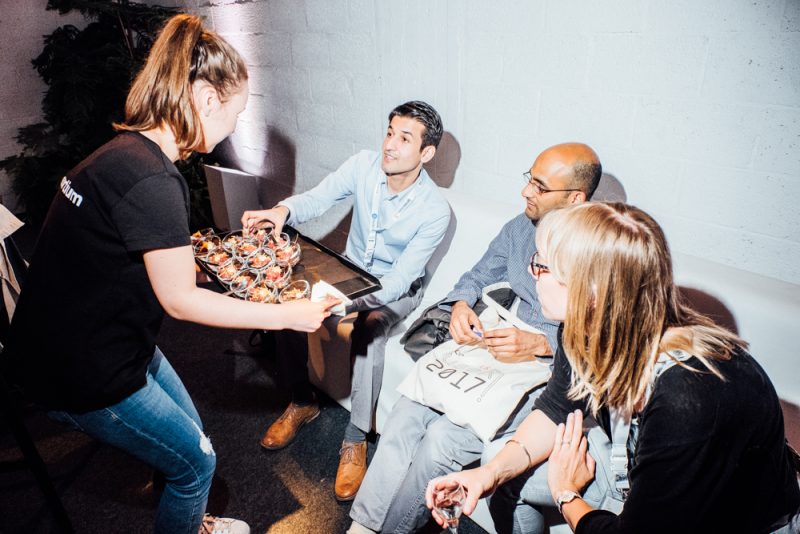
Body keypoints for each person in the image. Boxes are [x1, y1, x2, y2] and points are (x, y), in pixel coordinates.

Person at [1, 14, 337, 534]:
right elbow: (179, 300)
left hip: (81, 341)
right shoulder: (154, 180)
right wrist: (288, 315)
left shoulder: (121, 153)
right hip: (81, 371)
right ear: (206, 99)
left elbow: (127, 258)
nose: (234, 127)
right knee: (195, 464)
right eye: (235, 113)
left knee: (191, 432)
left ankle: (190, 519)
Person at [426, 202, 800, 534]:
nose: (530, 271)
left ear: (590, 291)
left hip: (726, 518)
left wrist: (566, 493)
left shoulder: (689, 396)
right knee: (499, 466)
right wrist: (486, 475)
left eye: (541, 265)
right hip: (632, 467)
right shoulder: (583, 328)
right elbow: (557, 407)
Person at [347, 143, 602, 533]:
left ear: (575, 198)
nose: (526, 191)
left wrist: (541, 344)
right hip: (496, 353)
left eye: (539, 186)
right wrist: (461, 305)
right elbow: (478, 275)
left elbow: (592, 344)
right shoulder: (521, 227)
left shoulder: (595, 252)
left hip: (547, 373)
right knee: (406, 411)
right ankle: (363, 526)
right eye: (529, 179)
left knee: (440, 440)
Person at [240, 101, 451, 501]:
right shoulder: (362, 165)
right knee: (287, 303)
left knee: (370, 329)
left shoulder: (435, 210)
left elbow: (399, 280)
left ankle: (355, 438)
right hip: (348, 271)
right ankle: (302, 401)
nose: (389, 145)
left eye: (404, 139)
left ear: (426, 153)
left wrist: (344, 303)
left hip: (395, 290)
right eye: (389, 132)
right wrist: (282, 211)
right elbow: (318, 199)